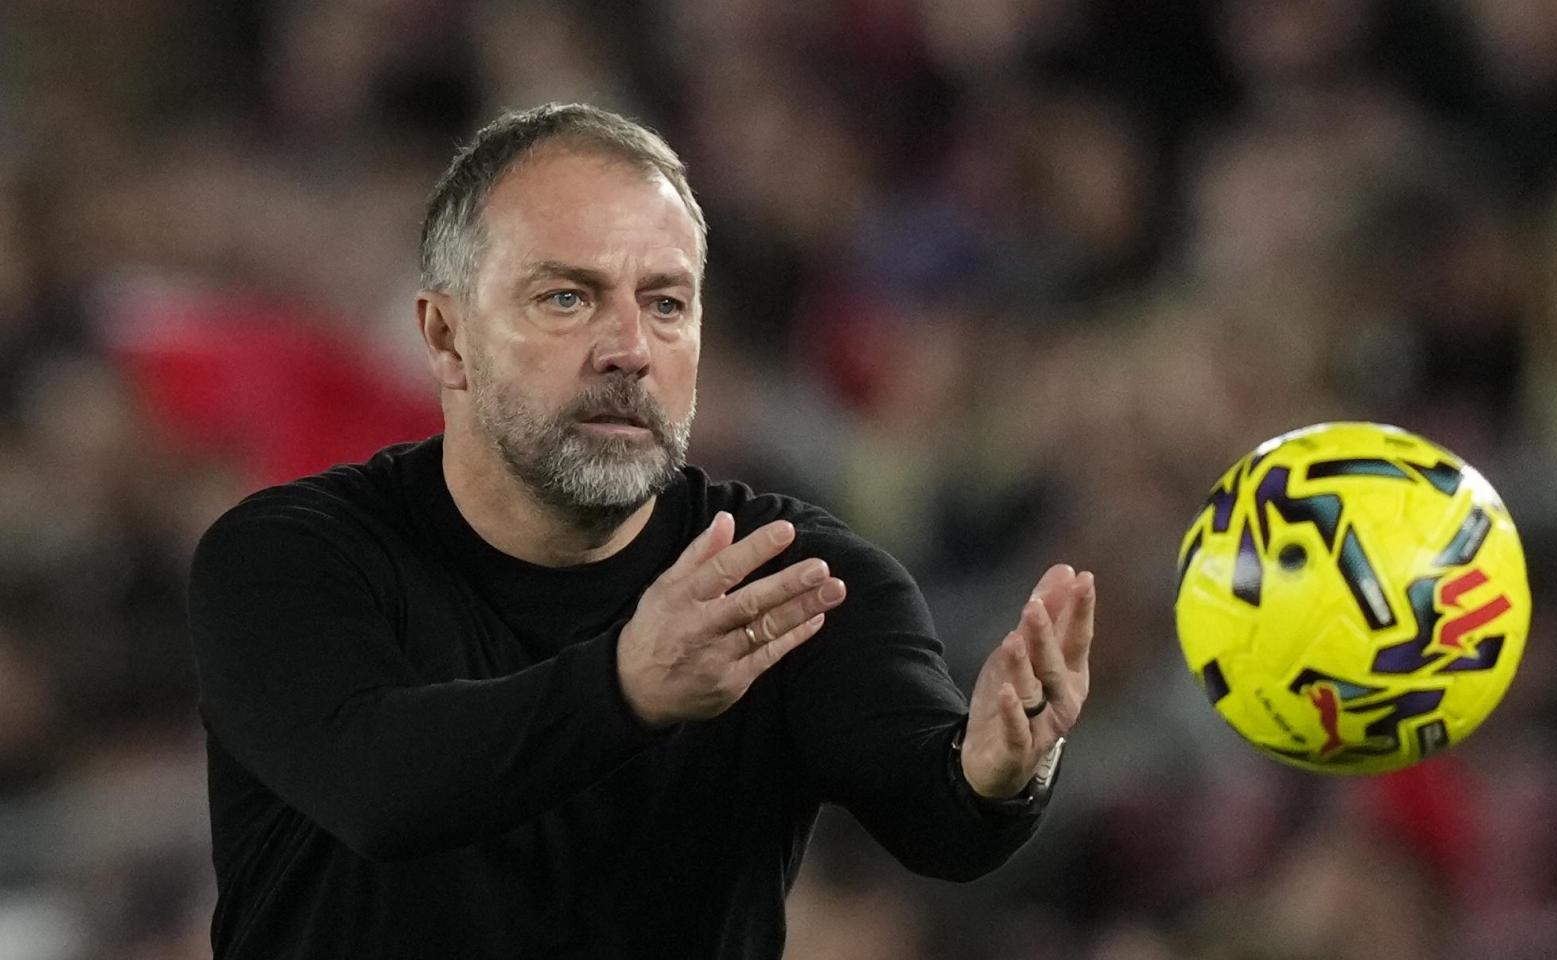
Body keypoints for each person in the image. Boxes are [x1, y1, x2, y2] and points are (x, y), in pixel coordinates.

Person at [187, 102, 1095, 959]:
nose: (629, 347)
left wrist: (998, 771)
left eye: (666, 303)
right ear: (447, 337)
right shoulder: (287, 559)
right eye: (567, 298)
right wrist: (627, 685)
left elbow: (937, 817)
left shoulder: (786, 577)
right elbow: (378, 786)